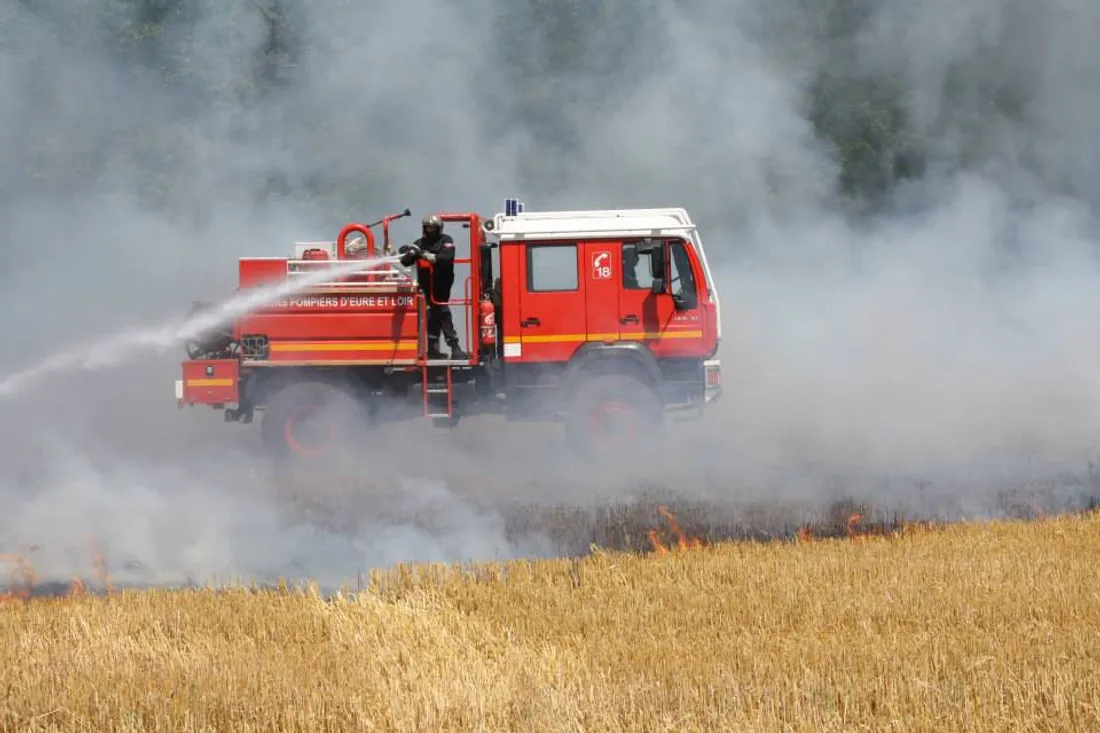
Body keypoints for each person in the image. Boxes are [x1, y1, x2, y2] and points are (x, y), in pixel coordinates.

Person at [399, 214, 469, 360]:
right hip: (426, 286)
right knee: (436, 314)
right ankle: (446, 348)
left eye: (433, 227)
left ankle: (446, 348)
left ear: (439, 228)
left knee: (440, 311)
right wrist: (408, 252)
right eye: (427, 227)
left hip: (442, 285)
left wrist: (425, 255)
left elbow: (446, 258)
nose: (430, 230)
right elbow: (405, 261)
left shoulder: (446, 240)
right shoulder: (419, 243)